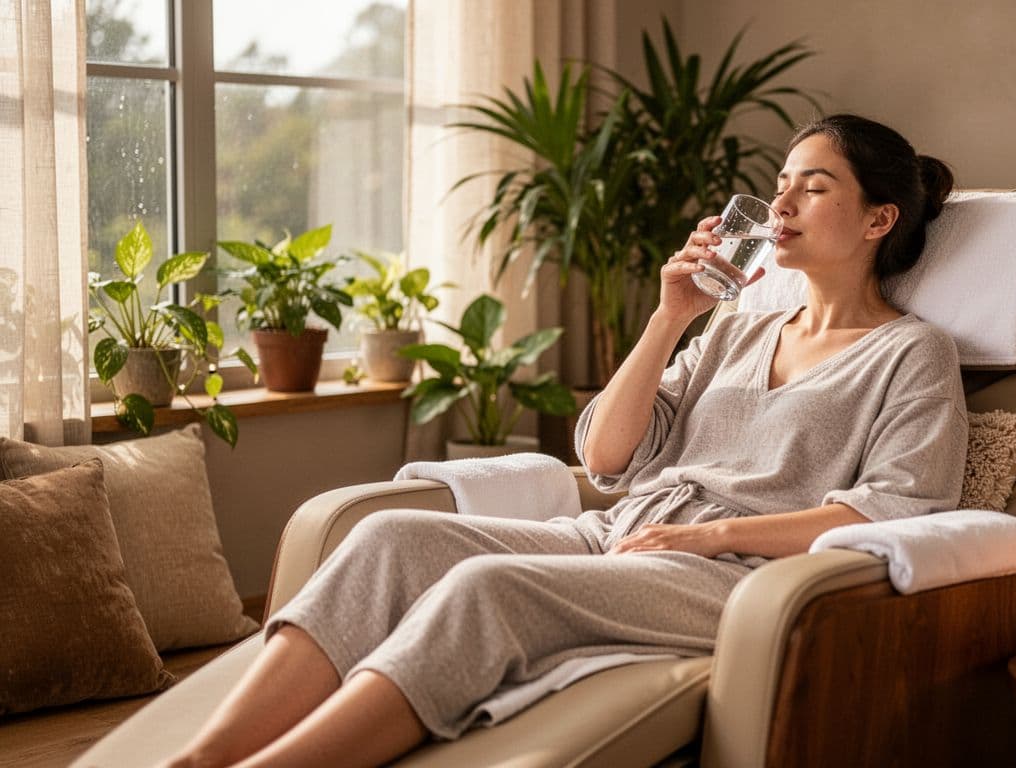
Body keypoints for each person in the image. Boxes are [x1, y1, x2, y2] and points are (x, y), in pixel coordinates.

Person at [162, 113, 968, 768]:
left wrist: (713, 532)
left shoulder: (911, 352)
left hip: (740, 572)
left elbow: (895, 510)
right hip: (614, 534)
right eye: (780, 183)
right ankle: (202, 758)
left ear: (878, 218)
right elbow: (607, 458)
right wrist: (670, 314)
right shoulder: (737, 326)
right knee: (389, 537)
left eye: (813, 187)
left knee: (488, 588)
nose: (781, 203)